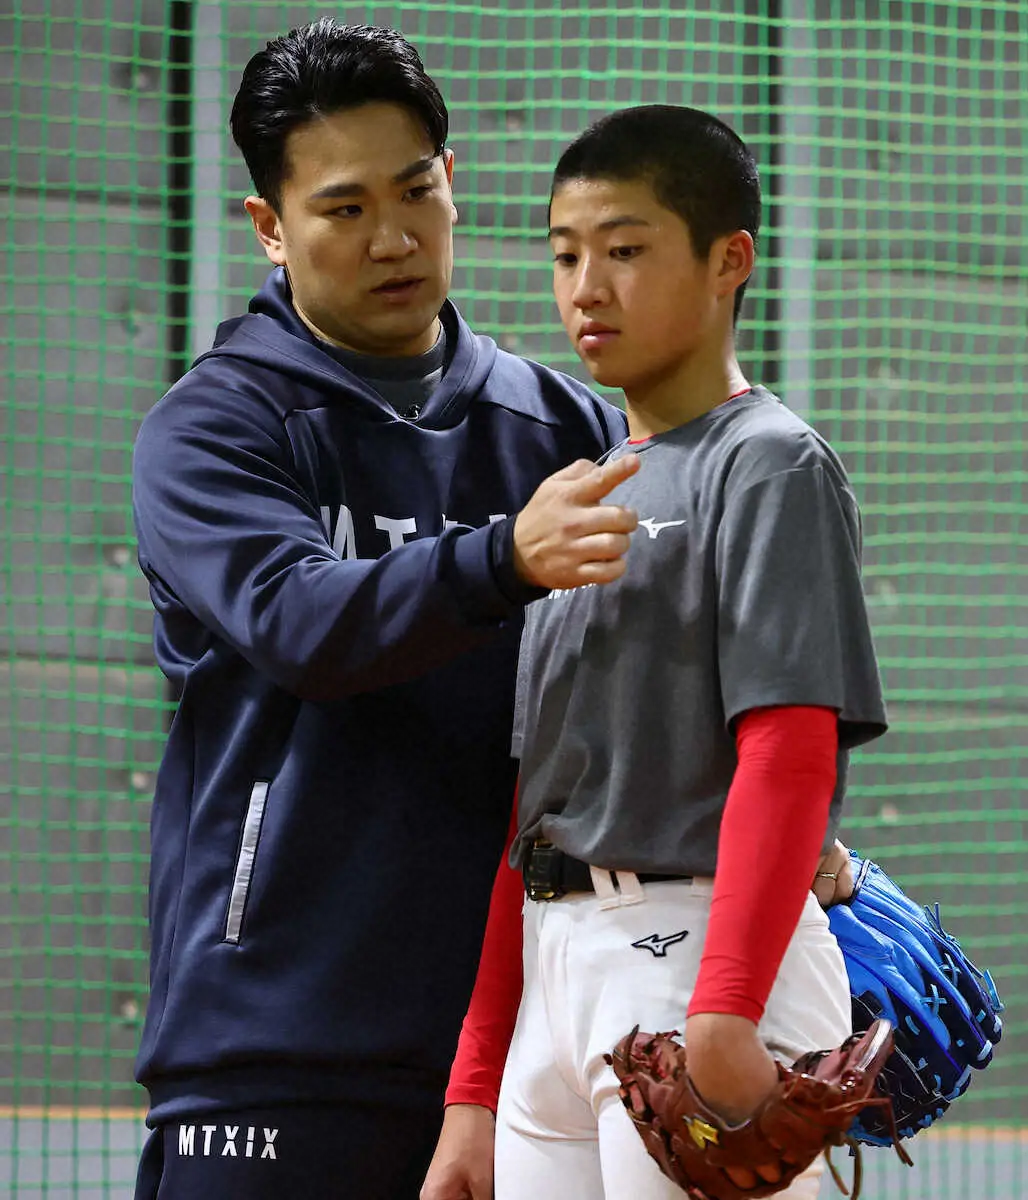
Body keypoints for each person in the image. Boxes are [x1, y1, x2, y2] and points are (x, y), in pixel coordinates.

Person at [129, 19, 636, 1200]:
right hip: (271, 1056)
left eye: (417, 190)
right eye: (344, 208)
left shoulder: (570, 432)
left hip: (530, 1050)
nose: (395, 238)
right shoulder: (213, 430)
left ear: (454, 181)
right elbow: (303, 623)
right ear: (272, 227)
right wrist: (505, 555)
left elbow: (655, 681)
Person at [422, 105, 886, 1200]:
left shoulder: (768, 463)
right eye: (566, 253)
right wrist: (474, 1089)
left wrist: (726, 1008)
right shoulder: (574, 497)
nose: (587, 286)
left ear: (730, 262)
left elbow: (788, 749)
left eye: (625, 250)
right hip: (554, 971)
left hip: (697, 964)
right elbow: (532, 808)